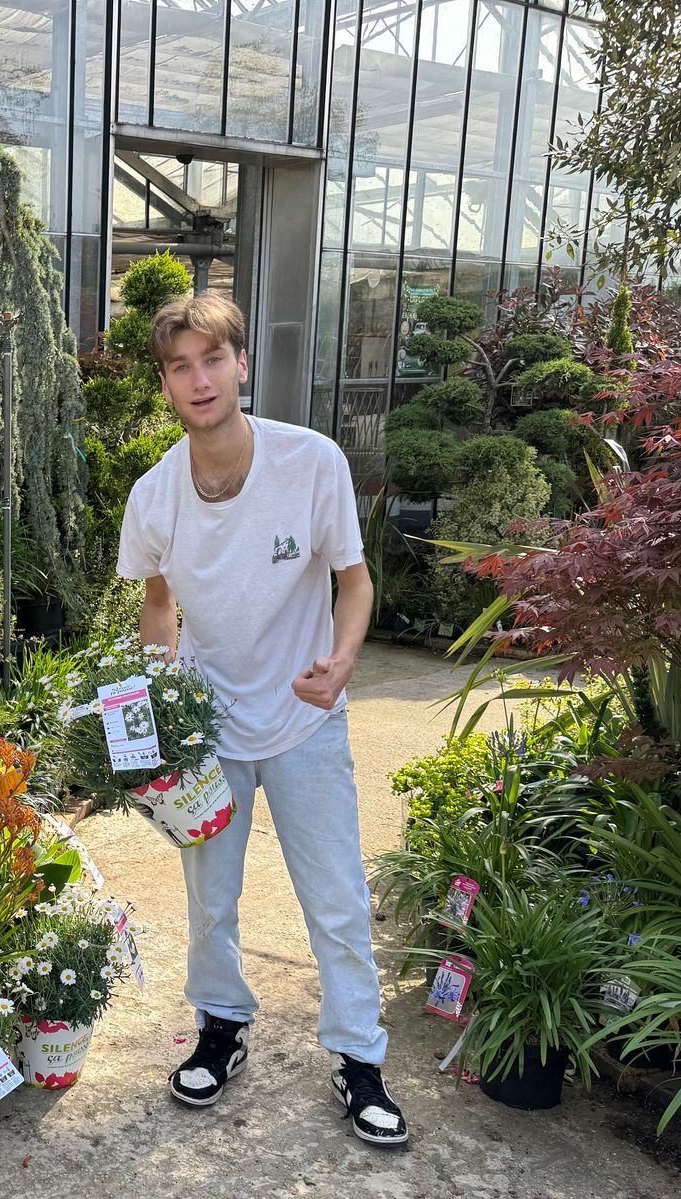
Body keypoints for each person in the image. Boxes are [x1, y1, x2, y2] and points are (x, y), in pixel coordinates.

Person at [115, 292, 407, 1148]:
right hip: (210, 728)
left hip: (308, 717)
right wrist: (157, 702)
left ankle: (359, 1060)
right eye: (179, 366)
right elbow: (159, 605)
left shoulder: (311, 463)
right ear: (166, 384)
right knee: (211, 899)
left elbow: (354, 582)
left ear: (242, 365)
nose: (198, 379)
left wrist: (344, 659)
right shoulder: (155, 495)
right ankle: (222, 1026)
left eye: (212, 360)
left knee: (337, 900)